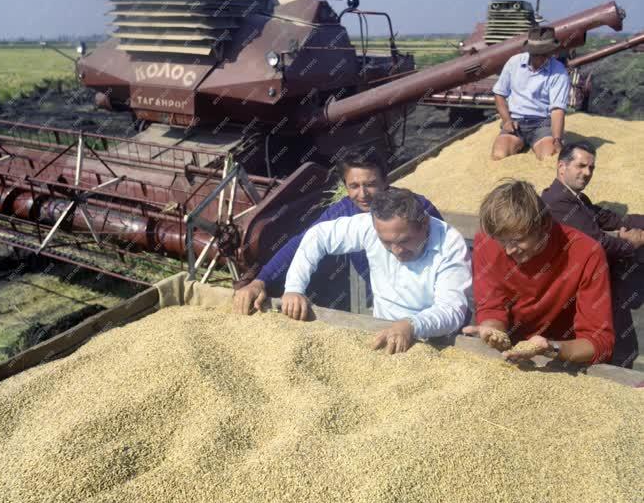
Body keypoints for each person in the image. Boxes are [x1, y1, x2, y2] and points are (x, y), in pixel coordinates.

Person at [233, 149, 442, 315]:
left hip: (429, 301)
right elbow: (302, 242)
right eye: (354, 186)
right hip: (386, 307)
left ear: (385, 181)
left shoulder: (417, 207)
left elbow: (447, 250)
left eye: (371, 184)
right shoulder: (343, 212)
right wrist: (261, 281)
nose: (363, 194)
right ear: (345, 186)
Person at [281, 187, 471, 355]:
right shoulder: (368, 226)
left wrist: (411, 325)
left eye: (404, 240)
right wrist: (294, 288)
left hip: (435, 341)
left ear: (425, 224)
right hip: (380, 327)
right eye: (386, 242)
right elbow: (318, 236)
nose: (396, 250)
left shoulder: (450, 243)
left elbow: (451, 309)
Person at [463, 179, 614, 365]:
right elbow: (491, 308)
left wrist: (551, 348)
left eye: (517, 240)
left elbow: (600, 343)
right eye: (502, 241)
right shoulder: (488, 242)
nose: (509, 250)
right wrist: (492, 331)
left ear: (543, 226)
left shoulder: (586, 253)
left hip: (561, 355)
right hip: (510, 354)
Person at [541, 141, 644, 367]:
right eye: (581, 166)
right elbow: (597, 243)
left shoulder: (577, 198)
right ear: (562, 167)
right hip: (572, 287)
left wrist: (639, 227)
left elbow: (612, 219)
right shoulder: (558, 202)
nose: (587, 173)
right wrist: (633, 243)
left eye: (591, 168)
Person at [491, 26, 570, 161]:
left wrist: (557, 139)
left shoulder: (559, 72)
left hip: (542, 124)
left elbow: (557, 110)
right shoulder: (514, 63)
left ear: (551, 53)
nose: (538, 58)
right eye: (535, 54)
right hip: (516, 122)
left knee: (549, 157)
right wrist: (507, 120)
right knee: (499, 155)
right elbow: (499, 94)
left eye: (543, 54)